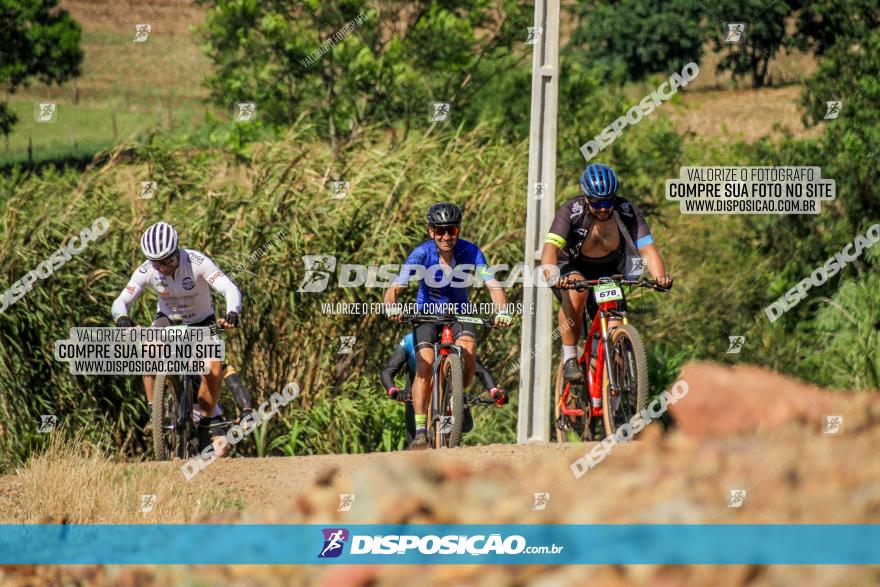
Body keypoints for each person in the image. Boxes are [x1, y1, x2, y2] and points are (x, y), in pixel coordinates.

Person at [384, 202, 512, 450]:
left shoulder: (471, 251)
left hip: (460, 314)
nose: (446, 237)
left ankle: (456, 396)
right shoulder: (421, 254)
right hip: (427, 315)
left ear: (458, 230)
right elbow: (395, 287)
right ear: (431, 231)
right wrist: (392, 305)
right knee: (425, 364)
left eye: (451, 231)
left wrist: (503, 310)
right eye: (440, 231)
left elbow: (493, 285)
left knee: (468, 351)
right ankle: (421, 429)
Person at [111, 221, 246, 456]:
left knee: (212, 367)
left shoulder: (197, 262)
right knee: (149, 349)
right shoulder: (146, 270)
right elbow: (121, 301)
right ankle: (156, 411)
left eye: (167, 261)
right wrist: (122, 318)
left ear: (177, 250)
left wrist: (232, 311)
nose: (162, 267)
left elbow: (229, 288)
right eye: (156, 262)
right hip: (167, 320)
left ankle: (204, 424)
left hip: (202, 323)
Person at [541, 163, 673, 384]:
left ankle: (615, 398)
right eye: (597, 203)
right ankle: (570, 358)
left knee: (616, 333)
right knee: (578, 291)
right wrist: (552, 276)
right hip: (572, 267)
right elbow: (550, 249)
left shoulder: (626, 210)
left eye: (608, 202)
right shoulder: (572, 210)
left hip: (608, 271)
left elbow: (647, 248)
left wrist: (660, 276)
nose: (603, 208)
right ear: (586, 198)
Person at [380, 332, 508, 444]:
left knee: (452, 432)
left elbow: (480, 370)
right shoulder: (411, 340)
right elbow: (387, 372)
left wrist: (494, 390)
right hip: (416, 389)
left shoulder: (453, 342)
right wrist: (394, 391)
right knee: (416, 441)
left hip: (446, 392)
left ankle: (445, 442)